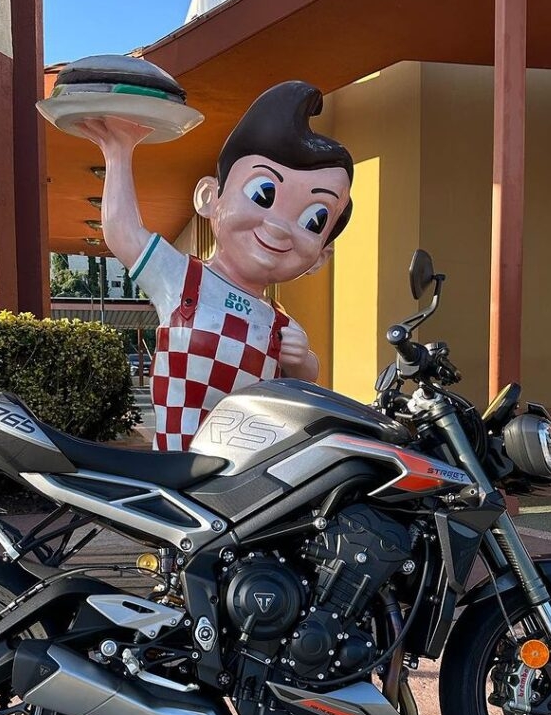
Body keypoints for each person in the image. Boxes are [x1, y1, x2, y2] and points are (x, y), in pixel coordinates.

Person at [78, 80, 353, 451]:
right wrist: (118, 152)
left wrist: (302, 359)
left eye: (313, 220)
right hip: (180, 462)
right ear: (210, 197)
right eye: (263, 193)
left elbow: (306, 378)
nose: (277, 226)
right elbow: (123, 232)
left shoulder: (277, 321)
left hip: (248, 471)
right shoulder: (181, 278)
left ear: (320, 257)